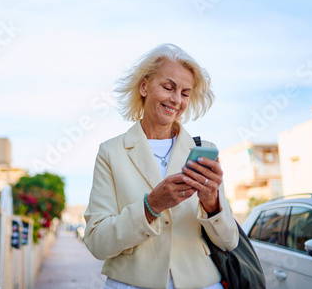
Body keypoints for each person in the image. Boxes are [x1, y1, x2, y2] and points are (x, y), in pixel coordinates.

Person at [84, 44, 239, 289]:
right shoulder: (110, 152)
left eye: (185, 93)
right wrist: (151, 205)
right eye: (168, 87)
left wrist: (212, 203)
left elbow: (229, 242)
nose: (176, 100)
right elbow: (97, 242)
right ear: (144, 86)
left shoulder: (205, 150)